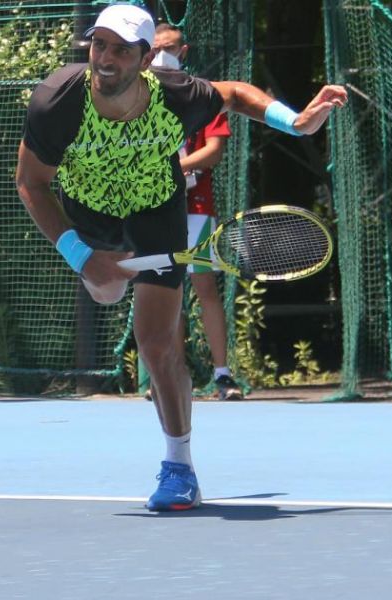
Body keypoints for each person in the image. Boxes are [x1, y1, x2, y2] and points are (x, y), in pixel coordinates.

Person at [15, 3, 346, 512]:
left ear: (146, 59)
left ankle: (179, 468)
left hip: (156, 212)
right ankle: (109, 278)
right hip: (92, 216)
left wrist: (297, 123)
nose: (105, 58)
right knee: (104, 290)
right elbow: (31, 184)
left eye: (121, 50)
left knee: (156, 344)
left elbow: (234, 95)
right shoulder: (57, 101)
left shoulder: (174, 96)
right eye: (99, 45)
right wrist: (82, 256)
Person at [150, 23, 242, 402]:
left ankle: (222, 375)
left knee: (204, 286)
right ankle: (170, 374)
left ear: (183, 51)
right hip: (155, 211)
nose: (161, 55)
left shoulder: (204, 95)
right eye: (154, 48)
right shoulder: (140, 96)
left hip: (196, 209)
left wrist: (177, 169)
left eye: (168, 47)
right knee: (164, 291)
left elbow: (214, 151)